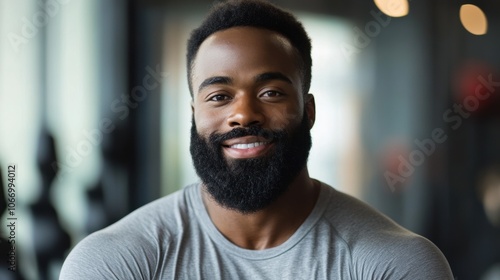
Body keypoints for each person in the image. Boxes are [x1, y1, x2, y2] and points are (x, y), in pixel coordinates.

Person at [60, 0, 454, 279]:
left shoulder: (396, 265)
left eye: (271, 93)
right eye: (218, 96)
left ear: (309, 111)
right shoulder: (113, 263)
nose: (244, 114)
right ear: (194, 114)